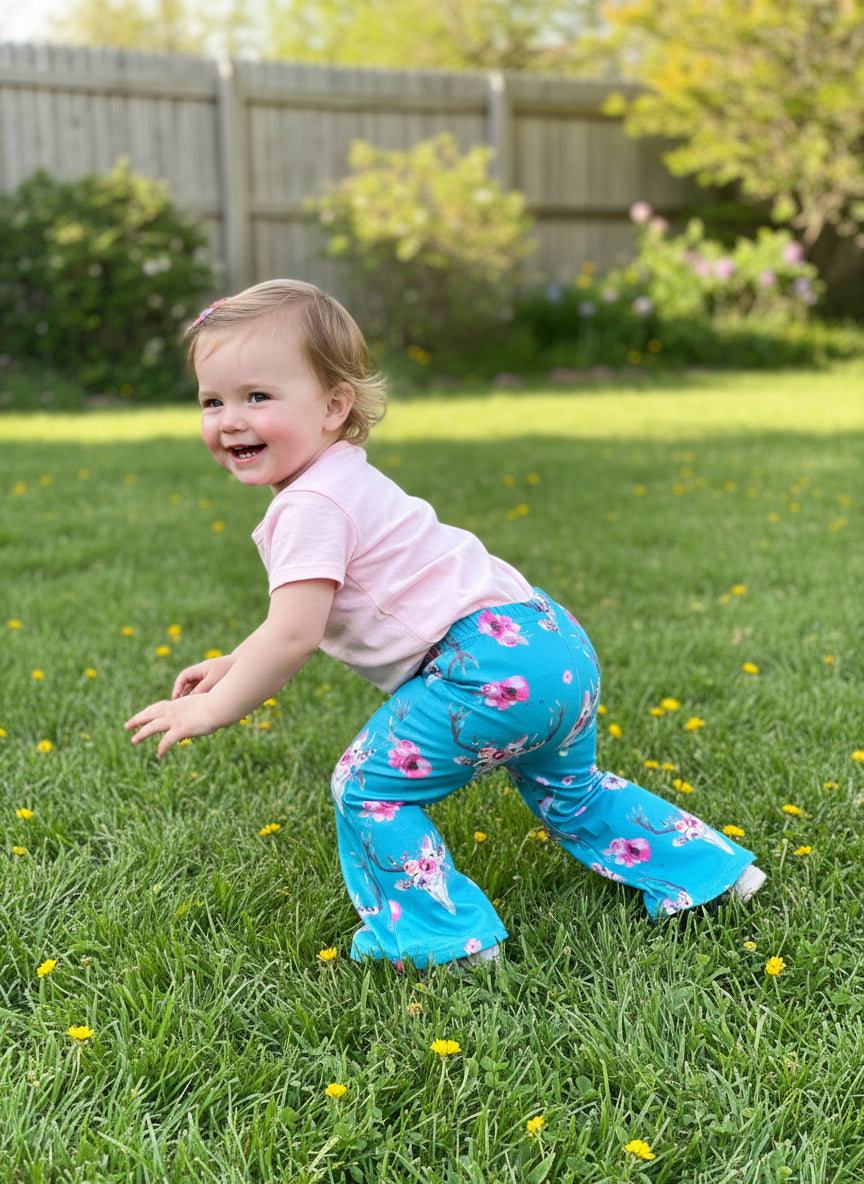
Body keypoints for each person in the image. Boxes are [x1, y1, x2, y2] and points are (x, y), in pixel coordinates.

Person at [125, 279, 766, 970]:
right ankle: (714, 875)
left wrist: (216, 708)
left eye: (258, 397)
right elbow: (291, 619)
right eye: (212, 401)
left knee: (368, 789)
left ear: (335, 406)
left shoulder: (310, 505)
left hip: (483, 667)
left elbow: (293, 635)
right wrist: (230, 664)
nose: (230, 420)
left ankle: (442, 941)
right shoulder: (344, 477)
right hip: (550, 644)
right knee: (571, 790)